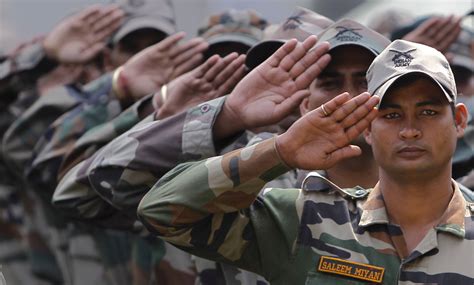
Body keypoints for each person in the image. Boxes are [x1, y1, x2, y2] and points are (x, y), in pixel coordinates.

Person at [137, 38, 474, 284]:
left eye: (428, 112)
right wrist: (280, 151)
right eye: (391, 114)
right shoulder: (305, 219)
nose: (410, 130)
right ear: (367, 126)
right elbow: (162, 211)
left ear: (459, 120)